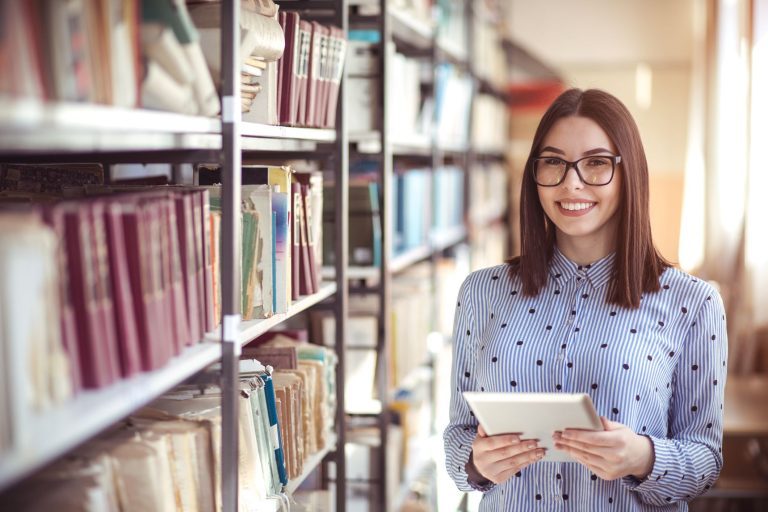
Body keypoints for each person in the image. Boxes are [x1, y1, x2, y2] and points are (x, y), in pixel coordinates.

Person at [444, 88, 728, 511]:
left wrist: (643, 458)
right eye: (554, 162)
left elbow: (706, 460)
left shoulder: (693, 303)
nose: (571, 183)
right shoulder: (482, 292)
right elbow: (456, 439)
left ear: (629, 172)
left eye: (596, 163)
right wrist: (475, 461)